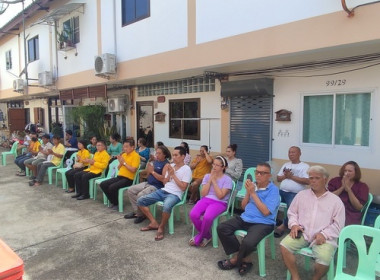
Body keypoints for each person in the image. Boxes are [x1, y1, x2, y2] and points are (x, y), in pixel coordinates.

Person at [280, 165, 345, 280]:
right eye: (311, 178)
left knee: (324, 259)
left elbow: (338, 224)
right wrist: (294, 225)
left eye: (317, 178)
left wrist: (324, 234)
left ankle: (316, 278)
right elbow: (292, 212)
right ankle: (295, 276)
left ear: (325, 179)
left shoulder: (335, 201)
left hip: (323, 237)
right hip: (302, 233)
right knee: (284, 246)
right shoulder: (301, 195)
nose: (313, 181)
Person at [217, 162, 280, 276]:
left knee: (248, 242)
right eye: (257, 172)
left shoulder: (273, 190)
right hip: (245, 218)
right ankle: (245, 258)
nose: (258, 175)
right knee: (222, 228)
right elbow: (243, 207)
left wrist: (253, 193)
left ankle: (236, 260)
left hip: (263, 223)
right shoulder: (253, 186)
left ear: (269, 175)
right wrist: (248, 192)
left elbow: (266, 212)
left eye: (262, 173)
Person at [137, 146, 192, 241]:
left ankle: (161, 227)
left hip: (175, 194)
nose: (173, 157)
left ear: (183, 156)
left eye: (176, 155)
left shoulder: (186, 169)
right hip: (164, 190)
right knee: (141, 200)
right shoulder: (171, 166)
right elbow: (165, 183)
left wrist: (173, 175)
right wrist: (168, 174)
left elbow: (183, 187)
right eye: (173, 155)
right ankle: (154, 222)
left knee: (166, 206)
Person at [189, 156, 233, 247]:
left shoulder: (227, 179)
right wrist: (210, 180)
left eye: (217, 165)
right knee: (193, 214)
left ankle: (199, 237)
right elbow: (203, 193)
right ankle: (207, 235)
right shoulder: (207, 176)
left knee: (207, 217)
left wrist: (214, 181)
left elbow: (221, 196)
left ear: (223, 167)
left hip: (220, 203)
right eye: (213, 164)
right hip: (206, 199)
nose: (214, 167)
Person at [125, 145, 171, 223]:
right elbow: (148, 175)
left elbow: (163, 179)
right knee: (130, 190)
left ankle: (140, 215)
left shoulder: (166, 164)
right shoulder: (155, 162)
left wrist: (152, 171)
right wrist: (149, 170)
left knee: (140, 195)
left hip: (157, 186)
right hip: (148, 183)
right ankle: (138, 212)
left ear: (164, 154)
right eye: (156, 153)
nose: (157, 155)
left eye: (159, 153)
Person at [275, 146, 309, 238]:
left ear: (299, 153)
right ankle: (269, 221)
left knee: (292, 208)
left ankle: (284, 226)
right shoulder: (286, 164)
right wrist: (286, 176)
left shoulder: (304, 166)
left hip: (295, 194)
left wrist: (291, 177)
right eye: (289, 152)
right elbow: (278, 178)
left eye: (293, 152)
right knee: (269, 199)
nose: (291, 154)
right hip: (281, 191)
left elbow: (307, 181)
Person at [100, 139, 140, 209]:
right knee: (103, 184)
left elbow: (133, 170)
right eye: (124, 147)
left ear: (132, 147)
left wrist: (124, 163)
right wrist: (121, 162)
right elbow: (118, 168)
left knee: (112, 187)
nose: (125, 148)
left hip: (128, 179)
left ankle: (116, 203)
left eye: (127, 147)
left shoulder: (135, 156)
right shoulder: (124, 155)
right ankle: (114, 201)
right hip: (120, 176)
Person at [327, 161, 369, 226]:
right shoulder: (335, 181)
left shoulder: (362, 186)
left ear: (356, 172)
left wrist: (349, 190)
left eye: (350, 171)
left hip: (350, 215)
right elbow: (328, 198)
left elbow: (358, 207)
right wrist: (342, 187)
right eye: (345, 171)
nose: (346, 173)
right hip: (333, 212)